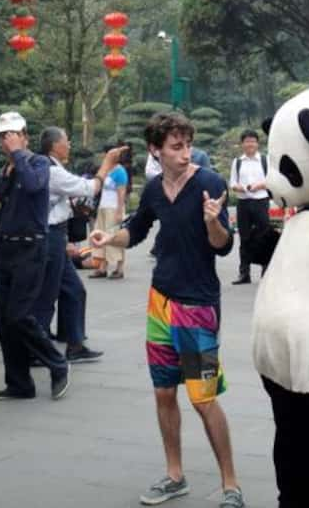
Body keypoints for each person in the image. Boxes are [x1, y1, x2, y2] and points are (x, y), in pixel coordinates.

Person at [90, 112, 244, 508]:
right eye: (176, 146)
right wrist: (110, 236)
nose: (184, 153)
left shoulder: (209, 184)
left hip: (197, 307)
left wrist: (214, 222)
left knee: (203, 397)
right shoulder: (155, 189)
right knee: (163, 392)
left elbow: (223, 245)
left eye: (187, 145)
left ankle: (231, 485)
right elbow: (137, 230)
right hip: (160, 303)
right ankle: (175, 475)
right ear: (156, 150)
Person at [0, 111, 70, 401]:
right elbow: (10, 207)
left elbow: (35, 186)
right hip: (7, 248)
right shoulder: (7, 170)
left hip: (31, 249)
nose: (6, 141)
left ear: (24, 136)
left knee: (20, 315)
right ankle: (19, 383)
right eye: (2, 137)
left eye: (11, 135)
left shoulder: (36, 162)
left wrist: (19, 155)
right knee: (4, 322)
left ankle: (57, 363)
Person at [35, 126, 123, 362]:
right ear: (55, 145)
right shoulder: (51, 169)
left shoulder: (51, 167)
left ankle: (73, 343)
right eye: (67, 140)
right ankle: (38, 348)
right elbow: (89, 187)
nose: (70, 145)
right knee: (47, 294)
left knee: (73, 290)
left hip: (55, 235)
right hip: (49, 236)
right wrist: (107, 164)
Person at [229, 129, 270, 285]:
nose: (250, 144)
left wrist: (260, 185)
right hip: (244, 202)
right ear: (242, 144)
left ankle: (266, 273)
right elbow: (232, 182)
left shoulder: (265, 160)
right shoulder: (238, 162)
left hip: (261, 200)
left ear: (257, 143)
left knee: (264, 238)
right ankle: (244, 274)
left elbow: (272, 179)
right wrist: (239, 187)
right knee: (245, 238)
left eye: (253, 141)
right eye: (247, 141)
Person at [90, 144, 129, 279]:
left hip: (114, 208)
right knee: (100, 236)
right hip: (103, 207)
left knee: (115, 237)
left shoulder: (120, 171)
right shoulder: (106, 169)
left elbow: (122, 192)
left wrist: (119, 211)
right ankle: (102, 267)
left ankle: (119, 268)